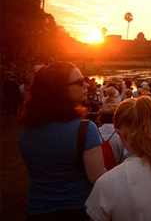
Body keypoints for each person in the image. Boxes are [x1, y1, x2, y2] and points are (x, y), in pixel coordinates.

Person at [17, 62, 106, 220]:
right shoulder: (84, 130)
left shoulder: (26, 132)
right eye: (79, 82)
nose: (86, 84)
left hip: (36, 211)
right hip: (77, 211)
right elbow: (98, 179)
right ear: (61, 90)